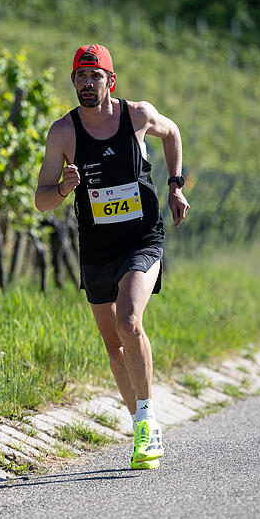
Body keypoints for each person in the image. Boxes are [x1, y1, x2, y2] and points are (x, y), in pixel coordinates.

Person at [34, 44, 189, 470]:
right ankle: (140, 421)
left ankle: (147, 423)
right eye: (80, 77)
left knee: (128, 321)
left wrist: (175, 185)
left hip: (142, 237)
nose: (87, 83)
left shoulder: (136, 115)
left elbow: (172, 132)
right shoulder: (63, 134)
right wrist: (64, 189)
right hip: (97, 247)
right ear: (73, 82)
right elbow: (41, 200)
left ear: (110, 80)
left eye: (94, 76)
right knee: (113, 345)